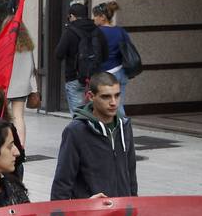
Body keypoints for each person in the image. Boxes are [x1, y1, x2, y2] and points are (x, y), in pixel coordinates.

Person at [50, 71, 137, 200]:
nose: (113, 102)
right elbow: (62, 182)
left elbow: (131, 173)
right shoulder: (75, 131)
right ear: (91, 96)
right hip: (91, 213)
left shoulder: (124, 125)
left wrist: (134, 204)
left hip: (123, 211)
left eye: (117, 95)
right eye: (106, 97)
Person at [0, 11, 38, 146]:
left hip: (3, 87)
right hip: (21, 87)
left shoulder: (3, 44)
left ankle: (1, 144)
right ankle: (20, 146)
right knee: (19, 117)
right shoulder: (28, 47)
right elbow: (32, 68)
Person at [52, 2, 107, 116]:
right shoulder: (97, 30)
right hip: (94, 78)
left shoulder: (70, 31)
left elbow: (58, 54)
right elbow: (105, 55)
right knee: (94, 114)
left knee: (79, 116)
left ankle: (82, 133)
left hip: (74, 77)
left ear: (72, 16)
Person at [93, 1, 130, 117]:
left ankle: (117, 129)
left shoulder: (98, 32)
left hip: (106, 74)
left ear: (102, 17)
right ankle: (124, 128)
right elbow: (127, 50)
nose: (94, 19)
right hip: (121, 72)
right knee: (119, 104)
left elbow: (95, 54)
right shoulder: (121, 31)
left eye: (96, 16)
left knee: (107, 106)